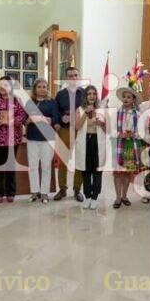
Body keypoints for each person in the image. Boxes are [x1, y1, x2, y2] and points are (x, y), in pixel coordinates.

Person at [0, 76, 28, 203]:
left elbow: (22, 117)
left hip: (14, 139)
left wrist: (8, 121)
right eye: (1, 84)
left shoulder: (17, 100)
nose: (2, 87)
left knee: (11, 166)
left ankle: (11, 192)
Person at [25, 78, 59, 204]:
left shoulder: (52, 102)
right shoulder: (29, 102)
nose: (42, 89)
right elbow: (24, 119)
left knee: (45, 166)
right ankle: (34, 192)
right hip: (32, 138)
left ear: (47, 88)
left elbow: (56, 119)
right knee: (33, 166)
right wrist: (28, 120)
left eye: (44, 87)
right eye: (39, 86)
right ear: (35, 89)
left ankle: (44, 193)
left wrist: (46, 119)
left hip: (47, 138)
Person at [53, 66, 85, 202]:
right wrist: (60, 118)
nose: (73, 78)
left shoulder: (85, 93)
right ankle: (62, 189)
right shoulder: (60, 95)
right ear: (66, 78)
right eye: (70, 75)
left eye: (76, 75)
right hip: (66, 130)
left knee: (80, 160)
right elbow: (56, 112)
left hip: (81, 130)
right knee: (63, 161)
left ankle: (77, 190)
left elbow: (91, 109)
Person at [75, 85, 106, 210]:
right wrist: (86, 112)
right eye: (89, 94)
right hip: (84, 142)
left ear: (96, 96)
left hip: (98, 142)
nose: (92, 96)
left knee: (97, 171)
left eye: (94, 93)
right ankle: (87, 197)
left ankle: (94, 198)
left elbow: (107, 129)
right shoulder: (80, 109)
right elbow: (77, 127)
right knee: (86, 171)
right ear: (85, 96)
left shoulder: (103, 109)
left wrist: (102, 123)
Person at [112, 86, 142, 208]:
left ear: (133, 100)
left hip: (131, 144)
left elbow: (142, 132)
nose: (125, 99)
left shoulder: (138, 114)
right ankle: (118, 197)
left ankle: (124, 195)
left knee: (127, 172)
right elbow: (111, 130)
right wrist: (121, 134)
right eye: (124, 97)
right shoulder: (117, 113)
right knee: (118, 173)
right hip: (119, 145)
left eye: (129, 97)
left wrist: (134, 134)